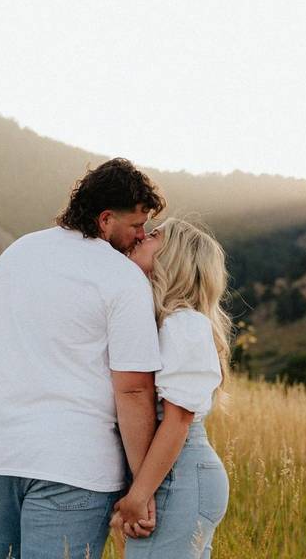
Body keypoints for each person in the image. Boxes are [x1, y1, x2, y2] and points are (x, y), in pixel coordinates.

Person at [0, 158, 166, 559]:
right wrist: (142, 486)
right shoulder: (120, 276)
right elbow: (133, 388)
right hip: (75, 464)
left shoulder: (14, 255)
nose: (141, 235)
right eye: (136, 226)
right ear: (106, 219)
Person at [111, 218, 232, 558]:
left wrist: (139, 494)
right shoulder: (165, 322)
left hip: (180, 478)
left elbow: (178, 421)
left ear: (174, 257)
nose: (142, 237)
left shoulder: (185, 325)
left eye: (155, 235)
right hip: (173, 476)